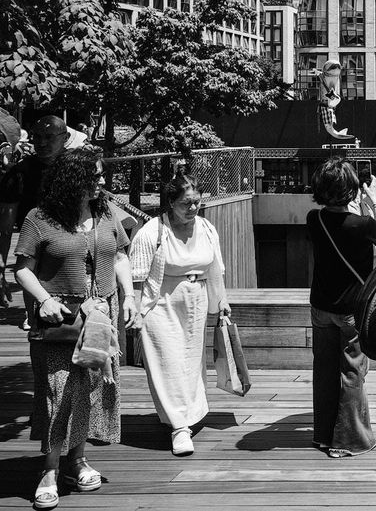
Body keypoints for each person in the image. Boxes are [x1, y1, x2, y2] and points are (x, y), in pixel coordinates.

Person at [13, 147, 138, 510]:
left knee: (90, 389)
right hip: (62, 318)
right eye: (93, 176)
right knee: (59, 392)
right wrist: (44, 300)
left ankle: (77, 460)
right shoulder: (40, 218)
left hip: (102, 314)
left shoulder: (106, 211)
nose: (101, 181)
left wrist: (130, 295)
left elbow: (119, 255)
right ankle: (50, 469)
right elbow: (22, 269)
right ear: (72, 180)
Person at [129, 166, 232, 456]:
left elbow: (215, 268)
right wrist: (135, 311)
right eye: (186, 203)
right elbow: (137, 276)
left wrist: (221, 301)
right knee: (168, 363)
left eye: (197, 202)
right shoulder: (152, 231)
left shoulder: (207, 228)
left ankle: (188, 414)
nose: (193, 208)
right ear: (171, 202)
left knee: (190, 363)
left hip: (196, 302)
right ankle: (179, 427)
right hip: (161, 304)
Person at [306, 157, 376, 458]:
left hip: (321, 306)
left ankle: (323, 435)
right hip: (351, 310)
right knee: (351, 372)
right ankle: (348, 441)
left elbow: (337, 223)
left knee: (324, 370)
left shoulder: (314, 219)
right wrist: (374, 199)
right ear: (352, 190)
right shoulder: (362, 225)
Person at [1, 116, 70, 315]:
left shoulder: (78, 168)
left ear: (65, 138)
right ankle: (32, 316)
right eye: (37, 137)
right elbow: (5, 228)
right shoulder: (19, 173)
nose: (41, 143)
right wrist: (1, 269)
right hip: (34, 247)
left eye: (49, 137)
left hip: (73, 244)